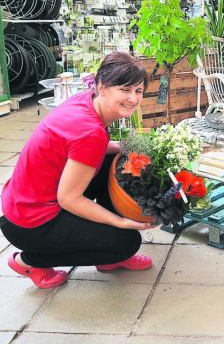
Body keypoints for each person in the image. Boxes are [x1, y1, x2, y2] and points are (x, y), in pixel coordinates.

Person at [0, 52, 156, 289]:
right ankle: (29, 261)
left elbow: (82, 149)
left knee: (114, 159)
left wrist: (127, 147)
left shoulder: (86, 100)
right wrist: (119, 222)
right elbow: (69, 198)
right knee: (126, 243)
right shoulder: (90, 133)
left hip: (21, 204)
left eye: (138, 91)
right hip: (33, 223)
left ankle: (106, 253)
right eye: (124, 90)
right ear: (102, 87)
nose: (133, 99)